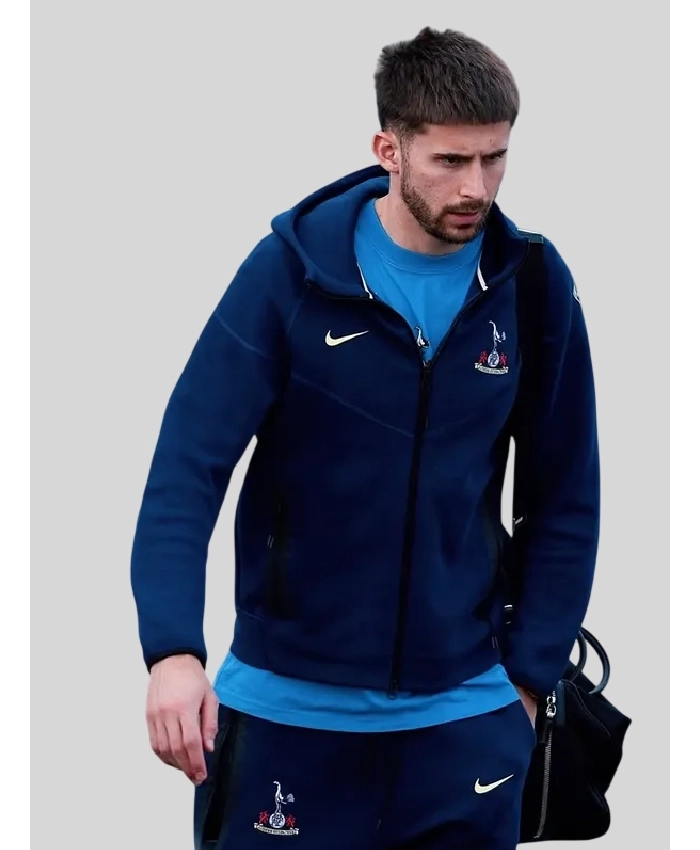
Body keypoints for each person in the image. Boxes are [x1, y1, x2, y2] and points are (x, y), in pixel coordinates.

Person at [130, 26, 600, 850]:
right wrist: (172, 651)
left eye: (494, 158)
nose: (477, 186)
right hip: (287, 716)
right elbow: (187, 467)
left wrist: (527, 684)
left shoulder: (530, 286)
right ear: (389, 149)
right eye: (450, 161)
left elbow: (565, 499)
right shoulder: (289, 276)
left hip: (463, 724)